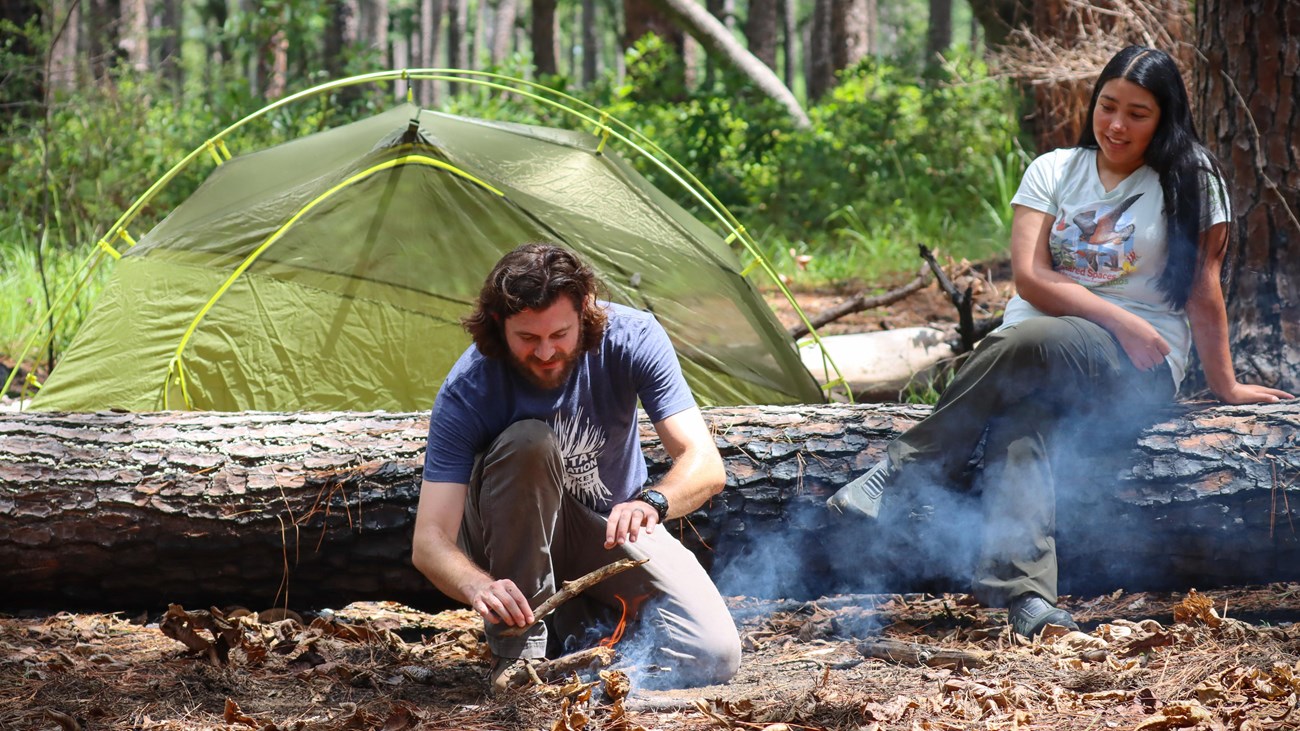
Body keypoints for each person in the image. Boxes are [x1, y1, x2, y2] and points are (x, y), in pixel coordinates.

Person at [827, 45, 1293, 638]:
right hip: (1040, 349)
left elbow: (1204, 288)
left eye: (1138, 113)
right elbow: (1030, 278)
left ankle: (904, 469)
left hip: (1135, 365)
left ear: (1167, 117)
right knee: (1022, 419)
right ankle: (1025, 599)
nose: (1117, 125)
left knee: (1031, 345)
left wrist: (1222, 384)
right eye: (1108, 106)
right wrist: (1115, 315)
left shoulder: (1191, 180)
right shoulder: (1053, 169)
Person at [411, 242, 741, 693]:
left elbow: (704, 464)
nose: (546, 352)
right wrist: (475, 585)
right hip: (511, 543)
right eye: (528, 338)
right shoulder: (469, 388)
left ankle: (578, 629)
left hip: (611, 529)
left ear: (584, 311)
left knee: (714, 654)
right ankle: (519, 659)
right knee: (529, 442)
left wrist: (653, 501)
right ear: (497, 325)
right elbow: (429, 541)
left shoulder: (633, 336)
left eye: (559, 334)